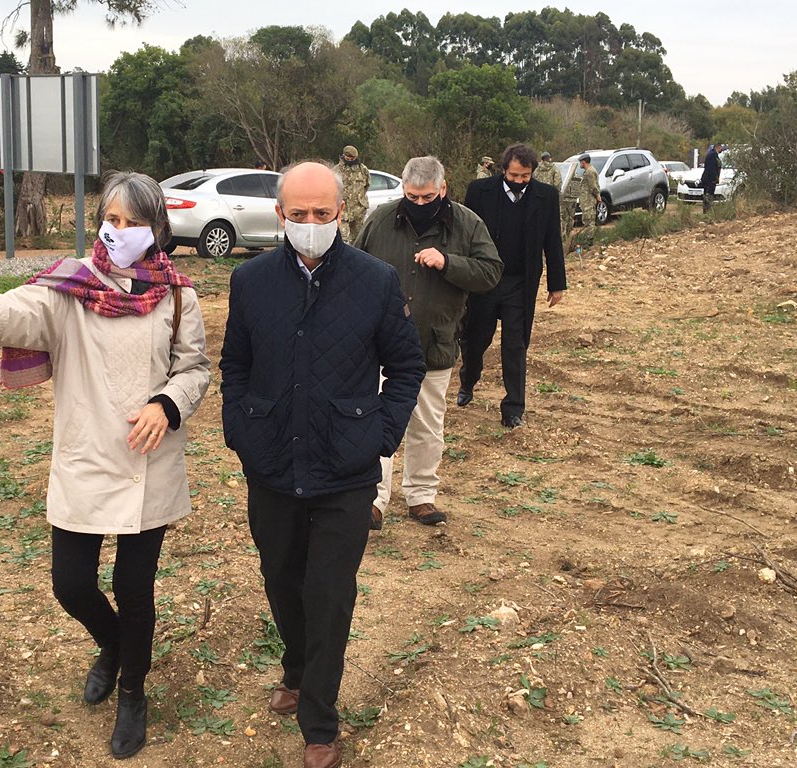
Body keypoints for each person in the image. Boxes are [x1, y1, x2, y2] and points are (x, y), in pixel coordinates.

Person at [0, 171, 210, 761]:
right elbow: (18, 312)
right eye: (111, 218)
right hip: (84, 454)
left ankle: (133, 693)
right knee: (71, 584)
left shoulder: (179, 295)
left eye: (131, 222)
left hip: (147, 461)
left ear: (157, 229)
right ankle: (114, 647)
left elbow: (195, 369)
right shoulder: (71, 285)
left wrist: (167, 403)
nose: (117, 230)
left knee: (134, 588)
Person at [220, 161, 424, 768]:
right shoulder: (250, 280)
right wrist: (242, 431)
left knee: (329, 592)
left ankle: (320, 721)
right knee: (281, 576)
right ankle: (296, 666)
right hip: (273, 462)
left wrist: (381, 437)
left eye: (323, 214)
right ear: (280, 214)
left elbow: (407, 366)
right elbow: (235, 363)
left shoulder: (377, 281)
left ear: (343, 213)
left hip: (346, 467)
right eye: (299, 214)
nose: (311, 224)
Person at [354, 156, 501, 528]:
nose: (419, 204)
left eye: (427, 198)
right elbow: (350, 266)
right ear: (403, 190)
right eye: (412, 197)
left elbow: (491, 271)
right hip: (380, 345)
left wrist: (449, 262)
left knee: (428, 423)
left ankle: (421, 495)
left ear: (443, 189)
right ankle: (373, 499)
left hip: (434, 343)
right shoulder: (380, 219)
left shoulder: (468, 223)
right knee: (374, 420)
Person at [459, 143, 566, 429]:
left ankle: (513, 409)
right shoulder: (479, 192)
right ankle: (468, 381)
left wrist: (557, 284)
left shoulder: (546, 196)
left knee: (515, 346)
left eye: (525, 177)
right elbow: (463, 235)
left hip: (521, 283)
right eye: (514, 175)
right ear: (504, 169)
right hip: (484, 280)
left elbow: (552, 241)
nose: (519, 181)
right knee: (475, 339)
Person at [332, 145, 370, 243]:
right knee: (342, 239)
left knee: (359, 239)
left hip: (358, 210)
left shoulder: (362, 170)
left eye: (352, 158)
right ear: (343, 156)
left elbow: (367, 185)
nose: (350, 160)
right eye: (348, 158)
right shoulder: (336, 171)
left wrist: (360, 199)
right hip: (343, 211)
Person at [576, 153, 601, 248]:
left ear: (583, 162)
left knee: (589, 220)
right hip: (586, 200)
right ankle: (588, 240)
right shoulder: (588, 171)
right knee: (587, 219)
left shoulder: (590, 172)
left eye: (580, 162)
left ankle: (589, 241)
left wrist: (597, 196)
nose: (580, 164)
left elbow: (593, 186)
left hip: (588, 201)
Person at [701, 142, 724, 213]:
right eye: (721, 147)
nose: (721, 149)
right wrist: (714, 178)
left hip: (709, 178)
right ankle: (707, 211)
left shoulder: (712, 154)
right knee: (708, 194)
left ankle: (707, 210)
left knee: (708, 195)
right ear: (718, 147)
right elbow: (711, 168)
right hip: (709, 179)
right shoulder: (713, 155)